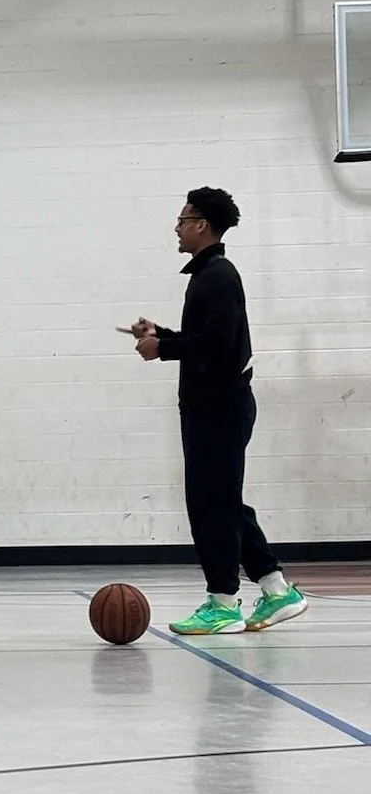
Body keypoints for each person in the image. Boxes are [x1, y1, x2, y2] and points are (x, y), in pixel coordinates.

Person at [124, 188, 306, 637]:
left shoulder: (218, 276)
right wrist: (163, 335)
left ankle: (223, 603)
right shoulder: (208, 275)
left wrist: (163, 348)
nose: (177, 227)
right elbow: (208, 340)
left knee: (212, 506)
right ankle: (276, 588)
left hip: (220, 408)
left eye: (183, 219)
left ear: (202, 224)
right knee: (221, 500)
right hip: (213, 407)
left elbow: (219, 346)